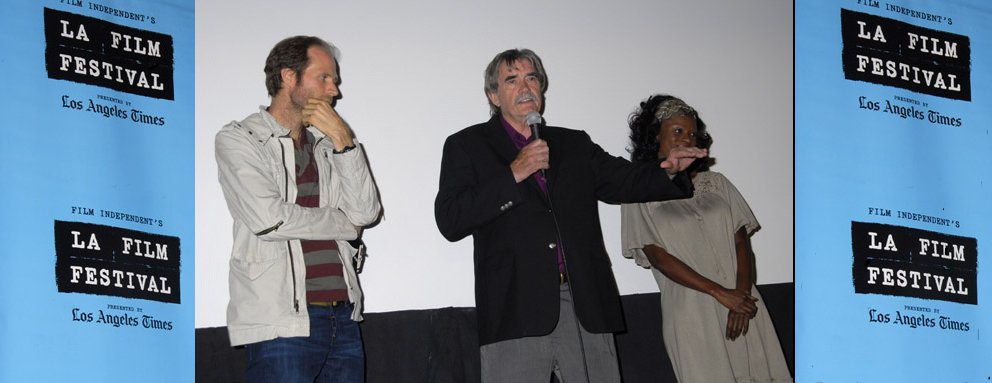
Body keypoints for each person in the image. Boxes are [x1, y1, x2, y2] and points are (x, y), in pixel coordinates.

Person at [434, 49, 707, 383]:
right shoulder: (467, 145)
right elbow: (450, 219)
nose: (526, 86)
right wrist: (514, 174)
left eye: (532, 78)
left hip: (584, 304)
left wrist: (668, 172)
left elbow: (622, 180)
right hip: (516, 308)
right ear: (493, 95)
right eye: (512, 79)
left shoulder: (573, 144)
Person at [215, 35, 381, 383]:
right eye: (324, 77)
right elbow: (270, 218)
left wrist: (342, 138)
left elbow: (365, 213)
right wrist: (342, 224)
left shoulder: (328, 144)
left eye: (334, 80)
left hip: (344, 317)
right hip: (281, 323)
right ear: (289, 77)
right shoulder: (240, 138)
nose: (334, 90)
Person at [621, 95, 792, 382]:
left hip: (743, 304)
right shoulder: (637, 190)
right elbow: (658, 257)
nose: (687, 139)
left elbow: (741, 243)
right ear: (655, 136)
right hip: (692, 312)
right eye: (678, 131)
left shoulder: (718, 184)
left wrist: (741, 296)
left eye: (692, 133)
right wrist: (719, 293)